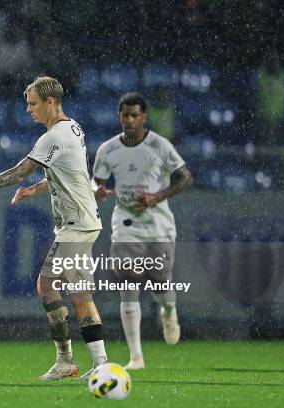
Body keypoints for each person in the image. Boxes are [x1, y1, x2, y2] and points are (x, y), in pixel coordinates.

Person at [0, 75, 108, 380]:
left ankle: (92, 363)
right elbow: (65, 173)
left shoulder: (53, 136)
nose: (28, 110)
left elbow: (17, 172)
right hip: (80, 222)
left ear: (51, 102)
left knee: (67, 291)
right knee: (60, 288)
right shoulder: (72, 127)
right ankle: (75, 361)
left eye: (33, 103)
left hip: (76, 225)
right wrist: (33, 191)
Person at [92, 92, 193, 370]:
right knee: (127, 279)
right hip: (125, 222)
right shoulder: (108, 149)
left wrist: (157, 197)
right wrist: (97, 191)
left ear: (144, 117)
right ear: (119, 117)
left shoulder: (160, 146)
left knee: (160, 280)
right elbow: (96, 180)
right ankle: (136, 357)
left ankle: (168, 310)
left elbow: (186, 177)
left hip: (158, 223)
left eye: (135, 115)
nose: (130, 120)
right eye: (125, 115)